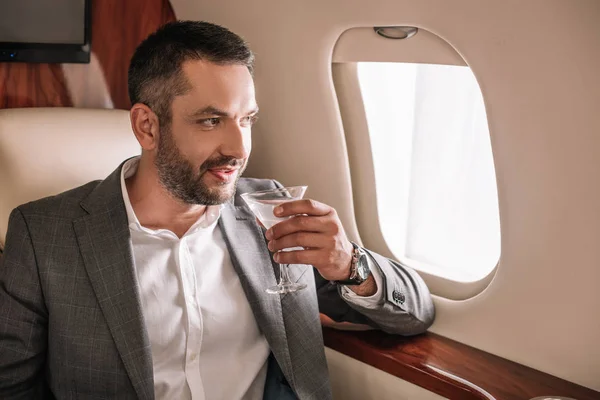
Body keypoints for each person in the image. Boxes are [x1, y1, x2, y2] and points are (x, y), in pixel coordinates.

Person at [0, 21, 434, 400]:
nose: (239, 148)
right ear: (146, 126)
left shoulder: (272, 212)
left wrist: (348, 264)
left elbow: (415, 313)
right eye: (211, 121)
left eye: (247, 120)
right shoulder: (44, 235)